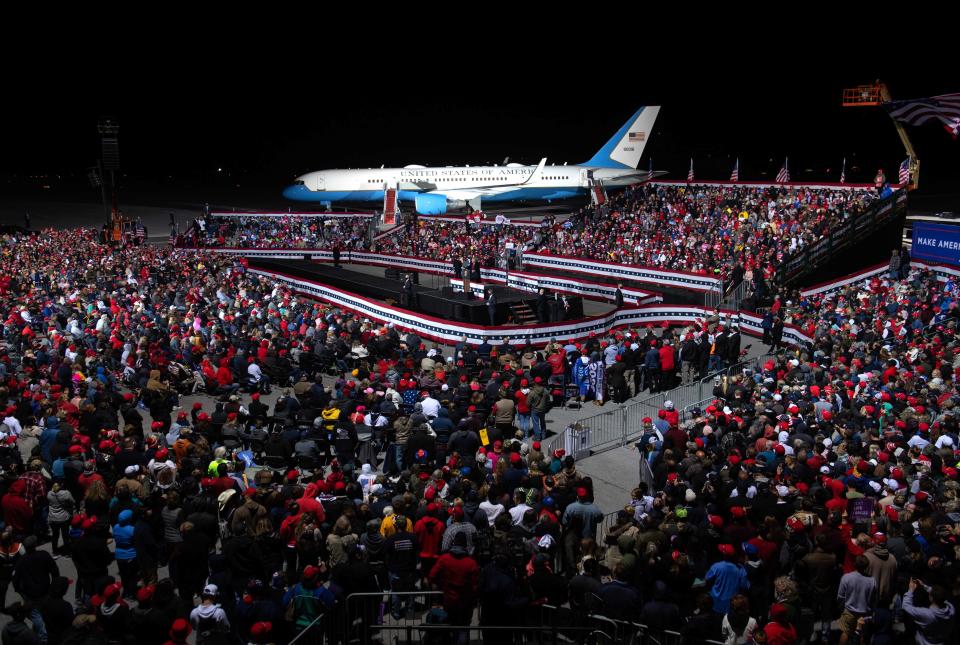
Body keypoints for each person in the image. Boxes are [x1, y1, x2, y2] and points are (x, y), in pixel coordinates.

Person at [902, 580, 955, 645]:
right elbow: (942, 597)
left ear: (931, 598)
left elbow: (906, 606)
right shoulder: (951, 609)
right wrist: (924, 586)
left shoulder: (927, 614)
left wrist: (911, 590)